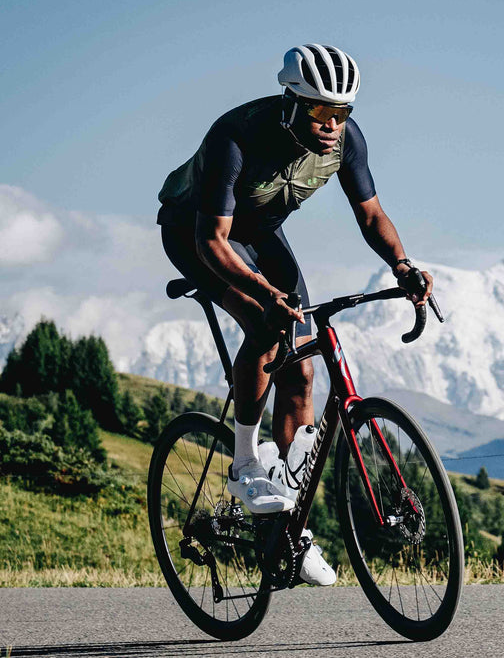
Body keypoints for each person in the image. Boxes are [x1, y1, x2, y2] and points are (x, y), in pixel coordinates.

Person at [156, 44, 433, 586]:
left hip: (259, 231)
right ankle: (244, 462)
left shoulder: (346, 140)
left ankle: (286, 528)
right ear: (291, 103)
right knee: (266, 326)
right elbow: (213, 241)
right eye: (320, 111)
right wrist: (264, 294)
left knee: (303, 368)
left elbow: (371, 214)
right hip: (197, 234)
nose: (332, 125)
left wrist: (402, 265)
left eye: (342, 112)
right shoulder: (235, 137)